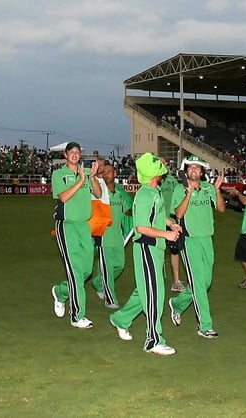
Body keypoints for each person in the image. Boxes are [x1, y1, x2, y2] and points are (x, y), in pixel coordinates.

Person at [110, 153, 182, 356]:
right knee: (154, 294)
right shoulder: (145, 195)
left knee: (145, 291)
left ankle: (121, 319)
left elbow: (158, 215)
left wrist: (170, 223)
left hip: (154, 248)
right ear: (153, 173)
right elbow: (141, 227)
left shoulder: (154, 191)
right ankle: (153, 339)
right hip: (147, 247)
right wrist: (167, 234)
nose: (163, 165)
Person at [167, 155, 225, 339]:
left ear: (202, 171)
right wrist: (188, 194)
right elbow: (177, 213)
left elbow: (221, 209)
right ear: (186, 170)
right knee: (199, 284)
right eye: (190, 167)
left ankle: (177, 304)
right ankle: (205, 325)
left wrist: (216, 190)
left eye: (197, 167)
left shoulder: (208, 188)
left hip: (207, 238)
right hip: (189, 240)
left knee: (204, 283)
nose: (194, 170)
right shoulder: (179, 189)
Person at [50, 142, 102, 329]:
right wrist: (80, 180)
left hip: (83, 226)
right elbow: (62, 197)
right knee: (74, 271)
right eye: (71, 152)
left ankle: (61, 292)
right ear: (65, 155)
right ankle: (77, 315)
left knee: (86, 270)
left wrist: (93, 177)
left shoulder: (87, 174)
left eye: (77, 152)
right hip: (67, 226)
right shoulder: (59, 174)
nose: (74, 154)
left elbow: (98, 193)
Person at [91, 164, 132, 309]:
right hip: (104, 237)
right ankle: (110, 298)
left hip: (118, 237)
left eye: (111, 171)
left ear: (115, 174)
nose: (108, 174)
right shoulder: (99, 194)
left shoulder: (120, 195)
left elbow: (127, 212)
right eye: (105, 172)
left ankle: (97, 282)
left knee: (119, 266)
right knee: (107, 270)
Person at [160, 167, 186, 292]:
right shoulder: (155, 181)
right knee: (158, 249)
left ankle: (176, 281)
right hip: (157, 221)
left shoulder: (172, 180)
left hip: (172, 221)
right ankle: (156, 278)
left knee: (174, 251)